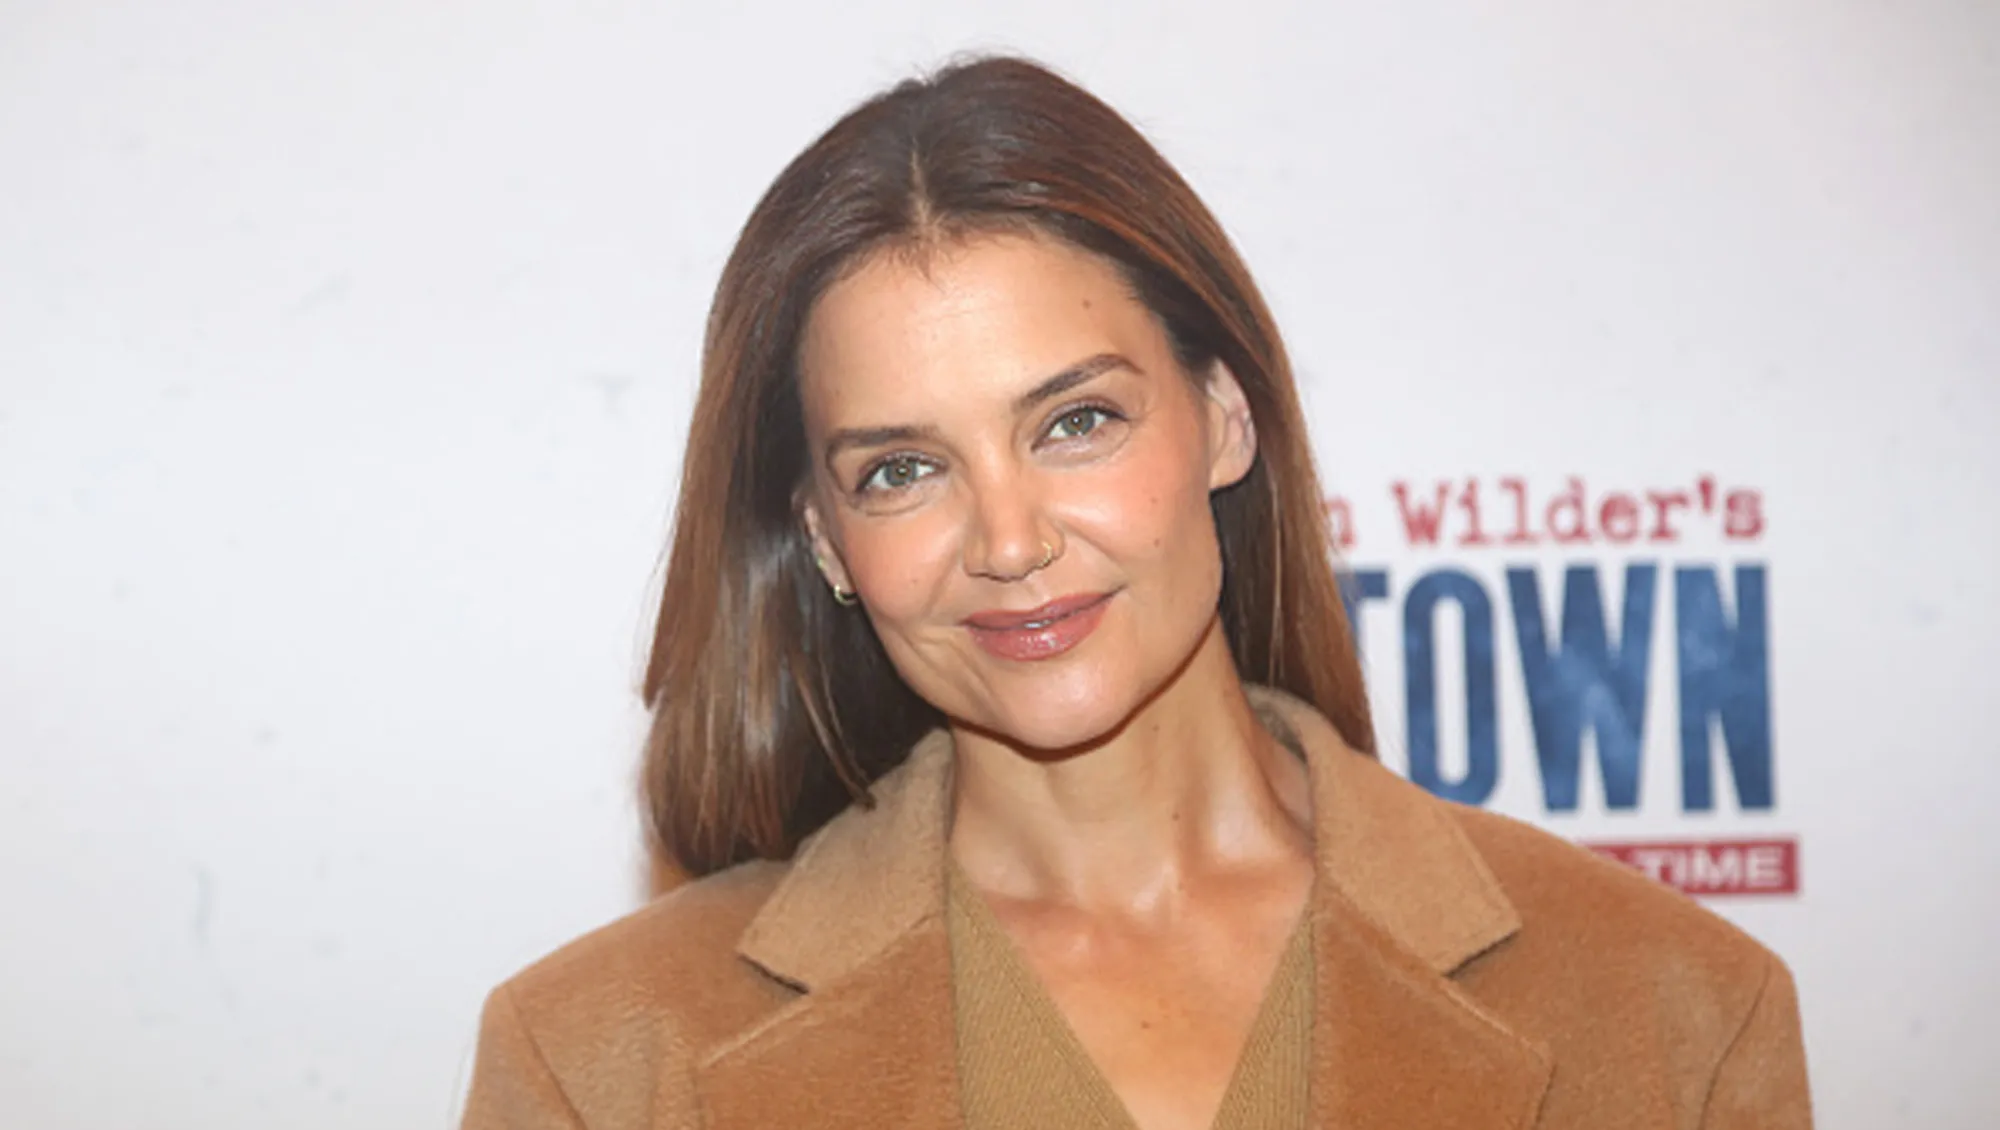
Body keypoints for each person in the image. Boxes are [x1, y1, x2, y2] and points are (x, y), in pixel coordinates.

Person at [460, 56, 1811, 1130]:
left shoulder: (1674, 1007)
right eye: (903, 470)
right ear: (822, 538)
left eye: (1076, 422)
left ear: (1224, 416)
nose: (1008, 541)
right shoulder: (599, 1062)